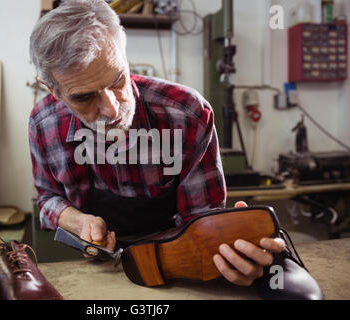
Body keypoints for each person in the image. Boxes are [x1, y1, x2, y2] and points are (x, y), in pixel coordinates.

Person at [28, 0, 285, 287]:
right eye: (84, 97)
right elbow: (47, 198)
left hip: (177, 261)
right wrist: (79, 222)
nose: (112, 109)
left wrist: (229, 252)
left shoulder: (187, 115)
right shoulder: (43, 124)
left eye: (117, 79)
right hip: (93, 270)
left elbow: (203, 221)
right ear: (52, 89)